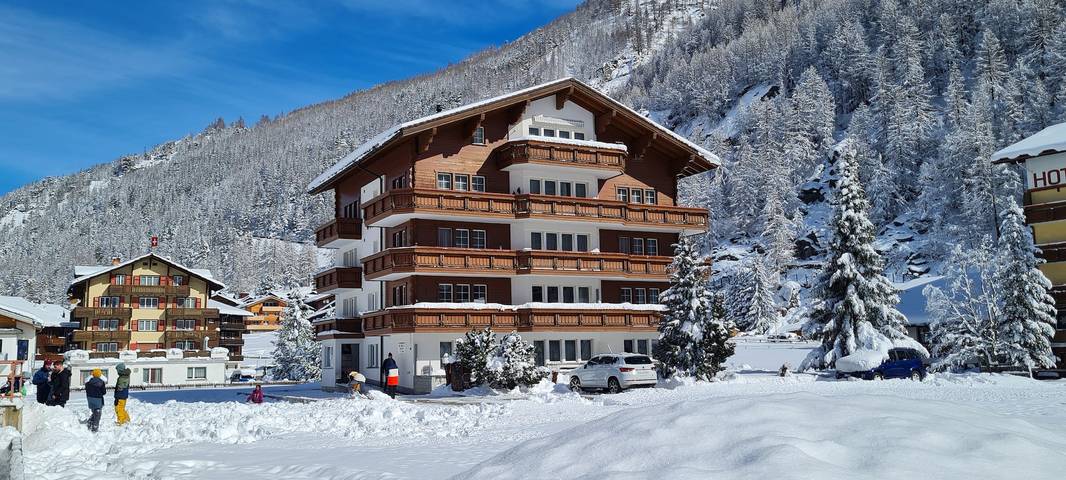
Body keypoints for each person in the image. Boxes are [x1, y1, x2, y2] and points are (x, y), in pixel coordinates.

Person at [85, 368, 106, 433]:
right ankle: (94, 428)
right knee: (97, 414)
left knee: (94, 412)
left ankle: (89, 423)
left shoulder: (88, 383)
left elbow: (87, 391)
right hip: (98, 400)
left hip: (90, 400)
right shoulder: (101, 382)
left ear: (93, 374)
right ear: (99, 375)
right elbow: (104, 392)